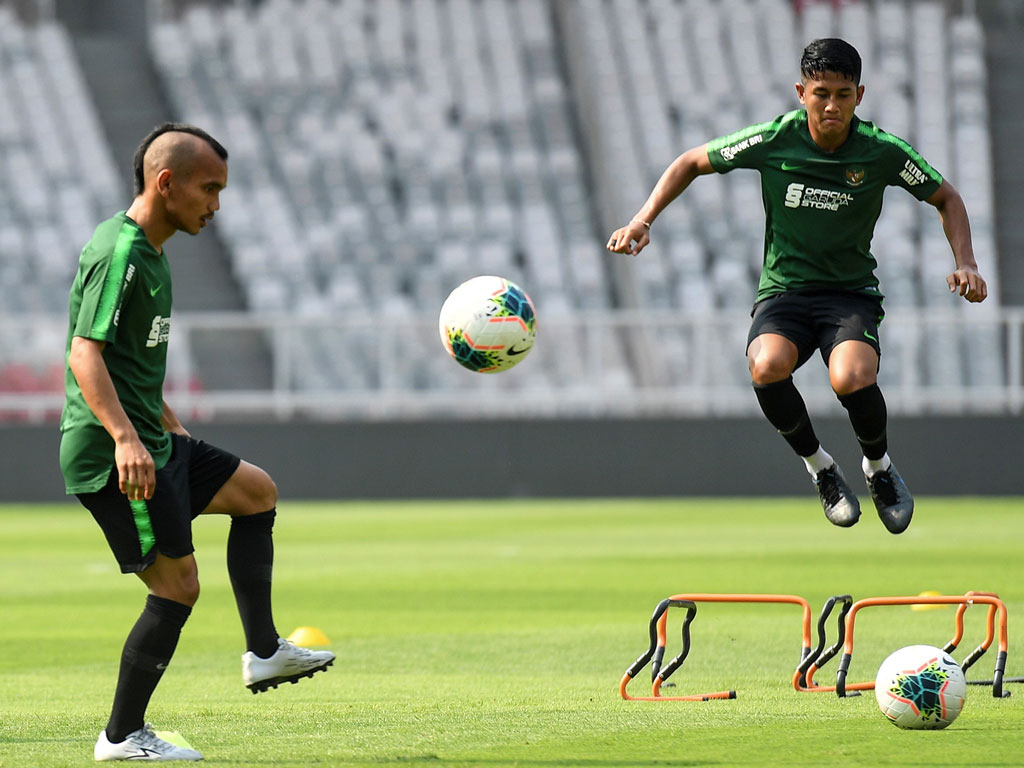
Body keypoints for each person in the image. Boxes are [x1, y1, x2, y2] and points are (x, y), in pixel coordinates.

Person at [606, 38, 987, 534]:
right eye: (821, 93)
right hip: (785, 293)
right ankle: (821, 468)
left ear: (860, 95)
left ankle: (878, 468)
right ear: (801, 92)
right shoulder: (774, 138)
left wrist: (967, 263)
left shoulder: (881, 152)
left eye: (843, 94)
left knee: (850, 378)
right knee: (766, 366)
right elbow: (691, 162)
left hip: (849, 295)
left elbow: (947, 197)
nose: (832, 105)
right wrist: (642, 219)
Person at [59, 123, 335, 762]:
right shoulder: (120, 253)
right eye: (209, 189)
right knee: (177, 587)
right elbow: (84, 352)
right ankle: (121, 738)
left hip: (152, 439)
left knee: (256, 492)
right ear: (166, 184)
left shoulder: (151, 252)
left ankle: (264, 652)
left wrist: (166, 420)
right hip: (113, 457)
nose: (216, 204)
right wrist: (126, 438)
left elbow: (130, 362)